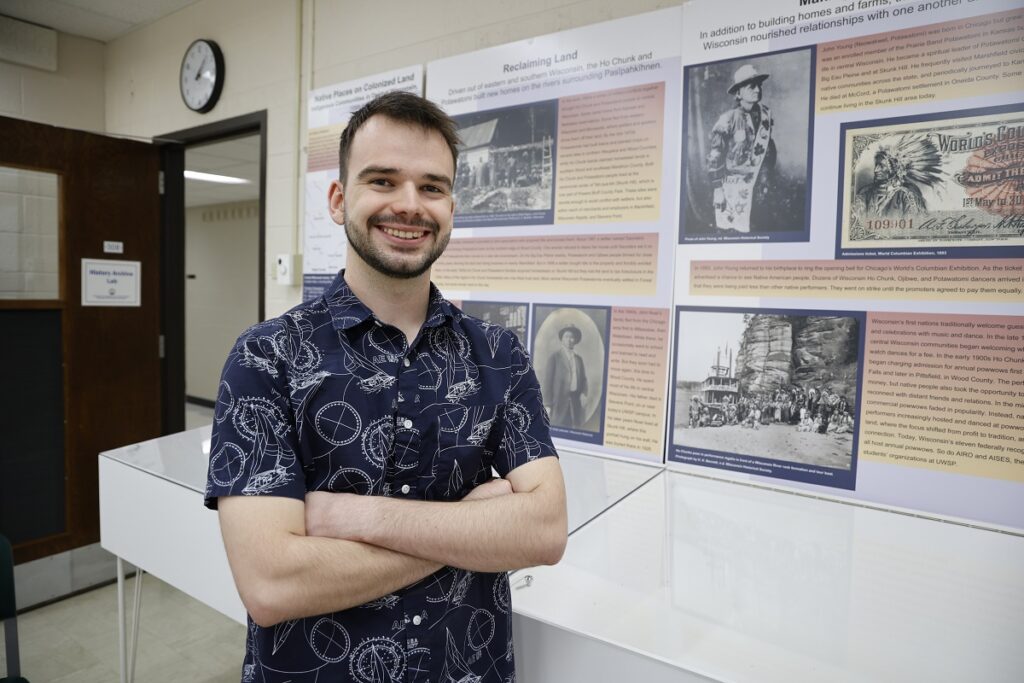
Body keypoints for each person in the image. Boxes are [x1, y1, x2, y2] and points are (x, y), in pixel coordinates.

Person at [205, 91, 568, 683]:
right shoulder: (267, 358)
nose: (410, 206)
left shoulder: (498, 355)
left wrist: (349, 515)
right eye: (383, 181)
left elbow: (546, 531)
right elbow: (271, 584)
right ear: (338, 198)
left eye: (431, 187)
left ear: (452, 204)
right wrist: (469, 524)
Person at [706, 64, 777, 233]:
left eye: (759, 85)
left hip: (757, 186)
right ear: (738, 93)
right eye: (751, 86)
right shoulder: (727, 120)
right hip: (731, 188)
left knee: (756, 229)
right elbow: (715, 155)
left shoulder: (765, 115)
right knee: (730, 231)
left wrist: (766, 177)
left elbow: (768, 150)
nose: (757, 90)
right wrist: (717, 189)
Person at [543, 323, 589, 429]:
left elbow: (583, 379)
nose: (569, 340)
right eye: (566, 337)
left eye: (572, 337)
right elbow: (547, 383)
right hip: (558, 401)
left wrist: (583, 394)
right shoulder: (555, 357)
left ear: (575, 340)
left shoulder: (578, 359)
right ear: (562, 339)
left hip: (575, 401)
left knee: (574, 428)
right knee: (558, 428)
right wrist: (548, 405)